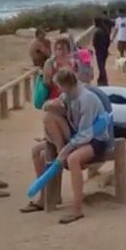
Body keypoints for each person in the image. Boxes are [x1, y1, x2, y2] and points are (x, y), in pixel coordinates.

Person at [51, 69, 114, 225]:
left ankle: (77, 209)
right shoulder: (68, 96)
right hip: (80, 136)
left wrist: (68, 149)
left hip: (96, 138)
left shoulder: (87, 99)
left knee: (73, 159)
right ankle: (46, 198)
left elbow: (87, 133)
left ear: (65, 85)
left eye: (60, 86)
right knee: (42, 145)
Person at [111, 10, 126, 76]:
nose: (118, 14)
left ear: (122, 13)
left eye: (119, 13)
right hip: (120, 39)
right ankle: (123, 67)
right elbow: (116, 29)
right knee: (121, 54)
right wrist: (112, 37)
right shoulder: (117, 20)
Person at [92, 12, 113, 86]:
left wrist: (96, 49)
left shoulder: (97, 31)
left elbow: (94, 43)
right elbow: (108, 41)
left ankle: (104, 81)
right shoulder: (105, 30)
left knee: (101, 67)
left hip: (99, 51)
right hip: (104, 51)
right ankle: (101, 79)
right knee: (102, 66)